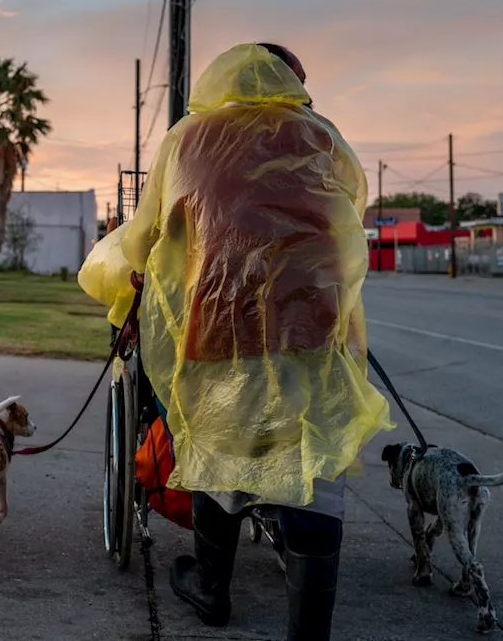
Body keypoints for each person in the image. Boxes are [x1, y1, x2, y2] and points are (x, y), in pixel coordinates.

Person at [117, 43, 394, 641]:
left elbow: (148, 236)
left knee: (223, 452)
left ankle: (214, 589)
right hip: (314, 331)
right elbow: (351, 215)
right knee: (314, 467)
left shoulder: (190, 140)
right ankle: (307, 630)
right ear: (294, 83)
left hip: (223, 330)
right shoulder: (321, 137)